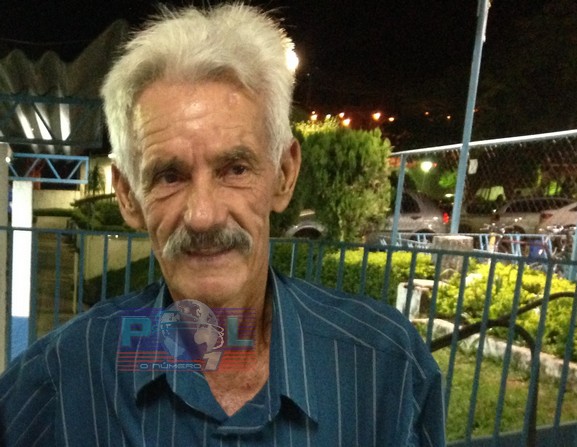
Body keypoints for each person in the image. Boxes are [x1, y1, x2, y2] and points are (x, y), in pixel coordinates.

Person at [0, 3, 446, 446]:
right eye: (169, 176)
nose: (203, 215)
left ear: (284, 174)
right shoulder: (68, 374)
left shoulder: (385, 369)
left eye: (235, 169)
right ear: (128, 195)